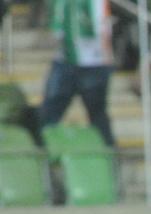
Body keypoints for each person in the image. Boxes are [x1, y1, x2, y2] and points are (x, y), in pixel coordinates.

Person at [40, 0, 115, 146]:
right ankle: (44, 155)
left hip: (92, 63)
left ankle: (109, 154)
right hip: (68, 61)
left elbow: (103, 25)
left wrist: (107, 58)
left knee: (97, 115)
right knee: (50, 114)